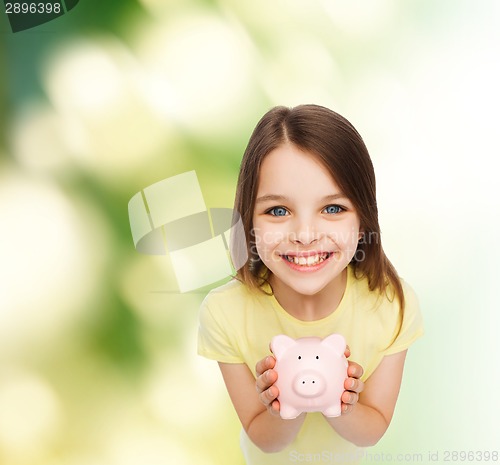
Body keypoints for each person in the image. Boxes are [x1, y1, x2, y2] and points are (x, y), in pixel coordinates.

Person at [198, 104, 424, 464]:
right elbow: (264, 440)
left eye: (332, 208)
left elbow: (375, 428)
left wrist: (339, 402)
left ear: (364, 217)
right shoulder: (224, 312)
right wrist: (284, 403)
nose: (305, 235)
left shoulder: (391, 305)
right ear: (248, 221)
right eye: (278, 211)